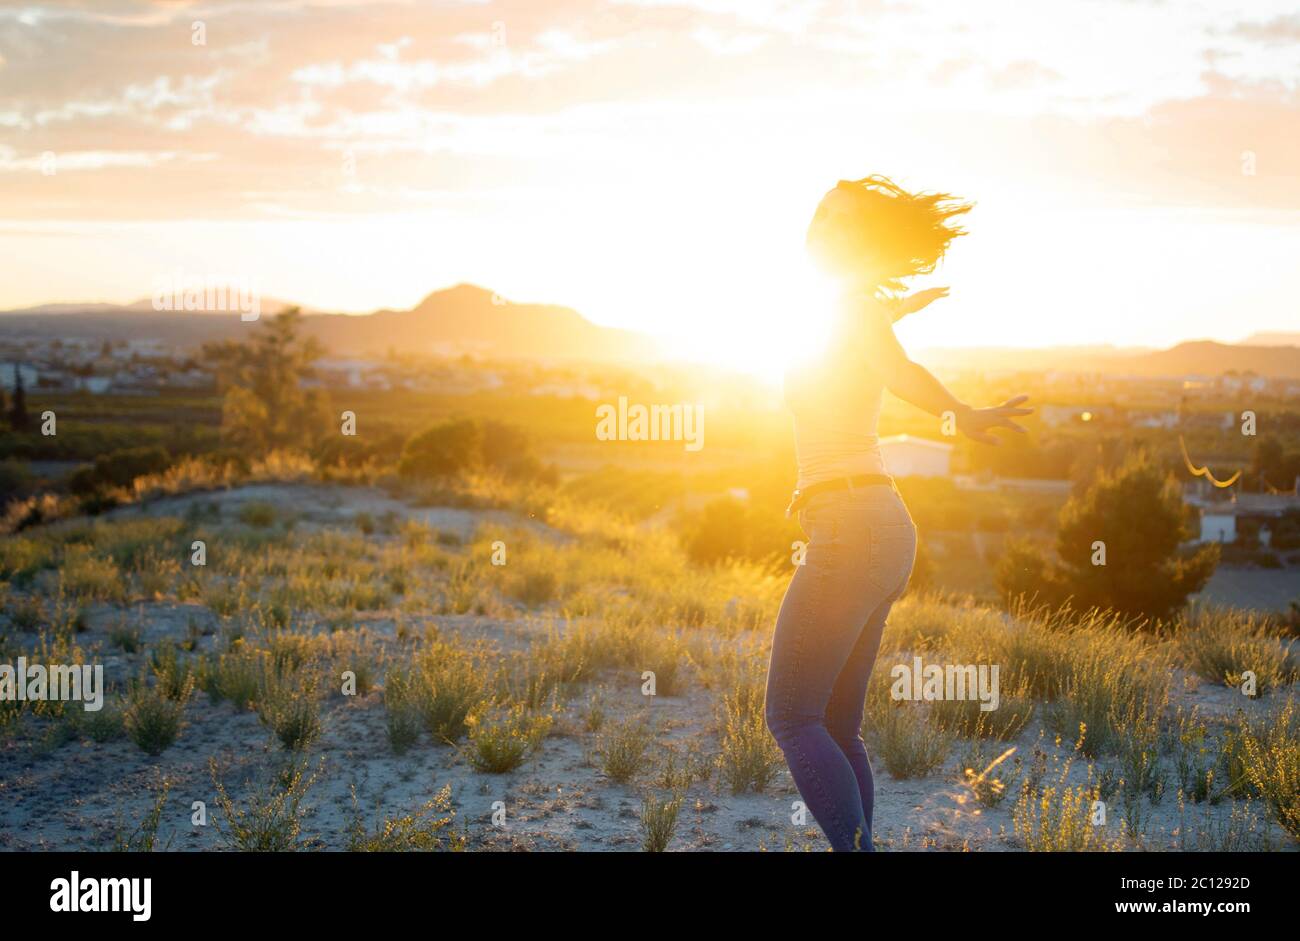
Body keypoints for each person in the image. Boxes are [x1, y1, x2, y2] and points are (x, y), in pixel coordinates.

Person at [765, 175, 1032, 851]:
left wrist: (961, 413)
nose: (819, 220)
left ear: (855, 237)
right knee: (837, 723)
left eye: (837, 217)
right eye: (820, 208)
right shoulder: (843, 309)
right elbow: (861, 338)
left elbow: (899, 370)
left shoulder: (851, 308)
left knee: (792, 717)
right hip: (880, 528)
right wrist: (902, 305)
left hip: (851, 529)